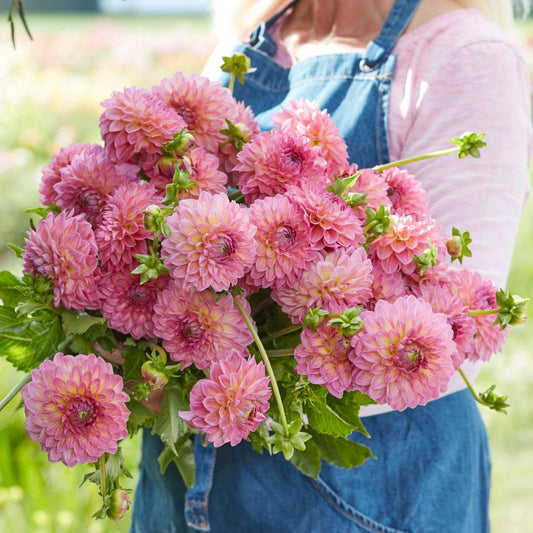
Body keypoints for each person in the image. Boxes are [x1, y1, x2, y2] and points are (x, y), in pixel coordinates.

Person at [130, 1, 532, 531]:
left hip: (362, 498)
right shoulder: (246, 44)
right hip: (185, 488)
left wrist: (213, 386)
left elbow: (458, 335)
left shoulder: (462, 57)